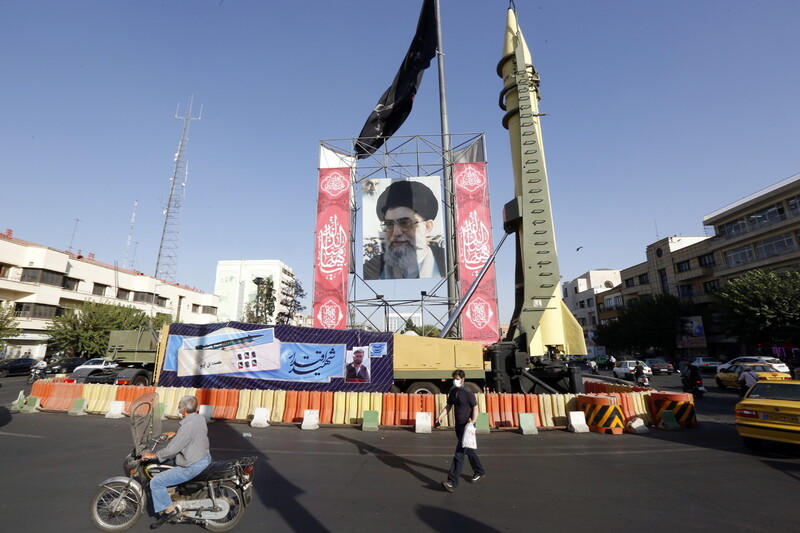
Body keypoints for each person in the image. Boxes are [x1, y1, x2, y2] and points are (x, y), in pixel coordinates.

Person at [142, 395, 211, 529]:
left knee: (156, 482)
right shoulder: (199, 418)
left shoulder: (187, 426)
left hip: (192, 465)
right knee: (170, 464)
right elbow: (190, 433)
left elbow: (171, 450)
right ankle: (174, 493)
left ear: (183, 409)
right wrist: (175, 433)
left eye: (180, 406)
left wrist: (153, 455)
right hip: (203, 457)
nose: (178, 408)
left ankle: (169, 510)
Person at [363, 180, 445, 280]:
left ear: (427, 227)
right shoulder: (372, 268)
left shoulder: (447, 262)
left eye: (405, 223)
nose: (395, 233)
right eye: (389, 224)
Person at [437, 369, 485, 492]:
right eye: (454, 378)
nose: (455, 381)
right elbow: (448, 406)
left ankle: (452, 482)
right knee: (468, 450)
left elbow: (475, 407)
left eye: (457, 379)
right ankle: (479, 470)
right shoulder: (453, 391)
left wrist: (473, 421)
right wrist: (440, 417)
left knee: (459, 454)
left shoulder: (468, 392)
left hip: (467, 426)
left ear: (463, 379)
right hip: (458, 426)